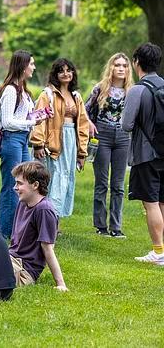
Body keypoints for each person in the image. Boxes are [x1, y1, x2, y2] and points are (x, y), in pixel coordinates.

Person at [121, 42, 164, 265]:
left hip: (146, 154)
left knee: (151, 203)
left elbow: (126, 125)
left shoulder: (138, 90)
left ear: (136, 62)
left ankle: (158, 251)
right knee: (163, 201)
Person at [0, 50, 48, 238]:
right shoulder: (10, 90)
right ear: (23, 66)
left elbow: (22, 117)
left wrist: (38, 116)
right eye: (31, 64)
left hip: (23, 140)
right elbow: (7, 121)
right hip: (11, 140)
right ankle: (5, 232)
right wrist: (31, 122)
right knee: (12, 186)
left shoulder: (24, 91)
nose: (33, 67)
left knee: (25, 185)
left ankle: (19, 230)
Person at [31, 58, 89, 220]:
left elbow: (83, 126)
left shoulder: (76, 96)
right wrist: (38, 144)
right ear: (55, 74)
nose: (66, 74)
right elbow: (38, 119)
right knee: (52, 181)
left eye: (69, 70)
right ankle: (46, 221)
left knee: (65, 180)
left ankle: (55, 221)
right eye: (61, 70)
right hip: (52, 144)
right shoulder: (47, 94)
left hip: (71, 144)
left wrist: (82, 153)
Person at [85, 53, 133, 238]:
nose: (120, 68)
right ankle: (100, 226)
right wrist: (89, 123)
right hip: (102, 136)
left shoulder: (132, 91)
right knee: (102, 183)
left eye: (124, 65)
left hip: (123, 138)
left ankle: (116, 226)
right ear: (111, 68)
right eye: (117, 65)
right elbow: (85, 112)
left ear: (128, 69)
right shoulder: (100, 89)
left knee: (119, 185)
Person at [8, 161, 67, 291]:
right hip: (10, 259)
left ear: (35, 185)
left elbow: (48, 248)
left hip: (24, 269)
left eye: (19, 183)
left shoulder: (44, 210)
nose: (15, 187)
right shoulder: (23, 203)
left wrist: (60, 284)